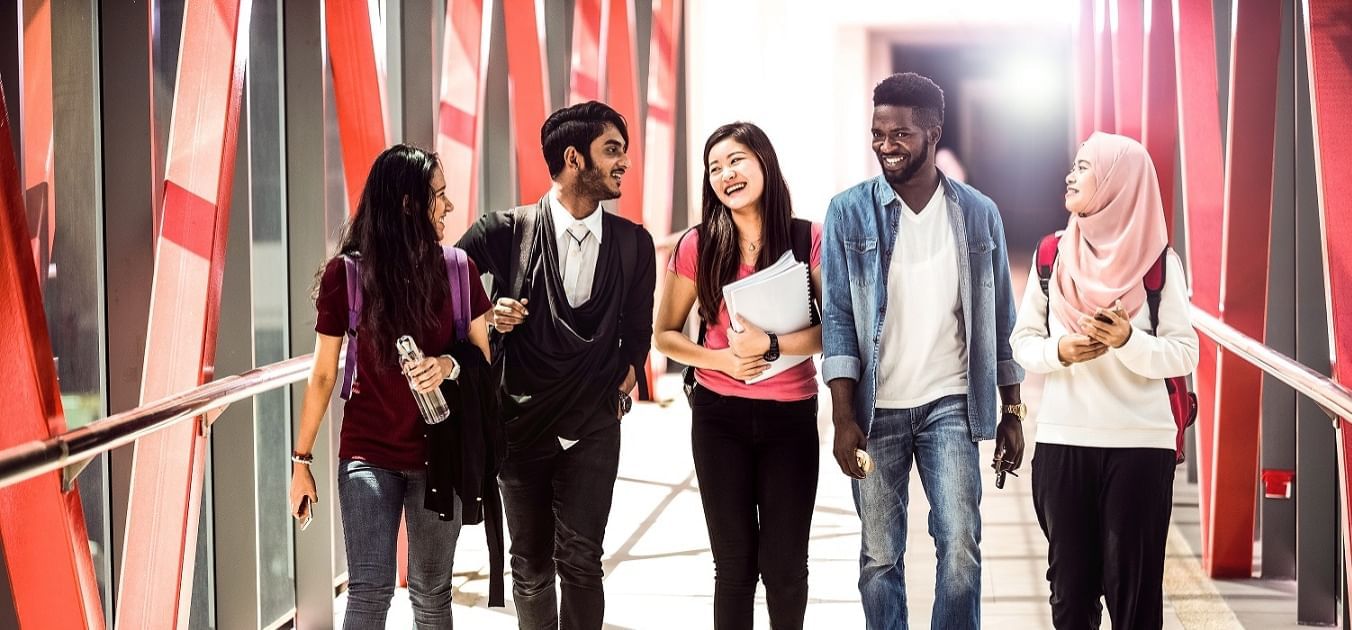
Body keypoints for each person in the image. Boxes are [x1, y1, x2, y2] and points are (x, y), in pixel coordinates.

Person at [821, 72, 1027, 630]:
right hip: (876, 407)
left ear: (934, 131)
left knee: (961, 544)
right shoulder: (848, 212)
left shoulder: (979, 213)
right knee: (879, 556)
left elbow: (1001, 318)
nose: (886, 145)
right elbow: (838, 318)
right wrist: (842, 417)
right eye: (878, 132)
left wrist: (1012, 410)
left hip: (951, 403)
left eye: (901, 133)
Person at [456, 100, 656, 629]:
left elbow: (638, 335)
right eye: (612, 150)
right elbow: (444, 296)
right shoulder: (504, 231)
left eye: (624, 152)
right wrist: (486, 313)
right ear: (574, 158)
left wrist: (622, 380)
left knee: (583, 562)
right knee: (530, 566)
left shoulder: (634, 245)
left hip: (593, 425)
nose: (623, 164)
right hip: (519, 425)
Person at [289, 144, 494, 628]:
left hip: (440, 455)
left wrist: (447, 364)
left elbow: (484, 358)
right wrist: (301, 462)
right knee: (369, 591)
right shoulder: (348, 275)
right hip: (367, 455)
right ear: (407, 205)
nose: (447, 206)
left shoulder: (458, 270)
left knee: (431, 593)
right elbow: (323, 374)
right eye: (437, 196)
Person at [1011, 132, 1199, 629]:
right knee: (1070, 600)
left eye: (1084, 167)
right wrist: (1061, 350)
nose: (1071, 175)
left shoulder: (1160, 265)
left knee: (1133, 602)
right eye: (1072, 165)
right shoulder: (1053, 256)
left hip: (1140, 447)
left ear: (1119, 181)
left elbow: (1184, 352)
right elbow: (1022, 340)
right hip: (1064, 441)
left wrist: (1127, 342)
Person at [653, 122, 823, 629]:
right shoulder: (698, 245)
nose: (726, 174)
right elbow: (664, 334)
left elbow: (836, 329)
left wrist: (772, 346)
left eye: (737, 160)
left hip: (791, 419)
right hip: (719, 419)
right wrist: (723, 360)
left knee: (786, 569)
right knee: (734, 568)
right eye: (715, 167)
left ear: (764, 163)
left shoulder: (806, 238)